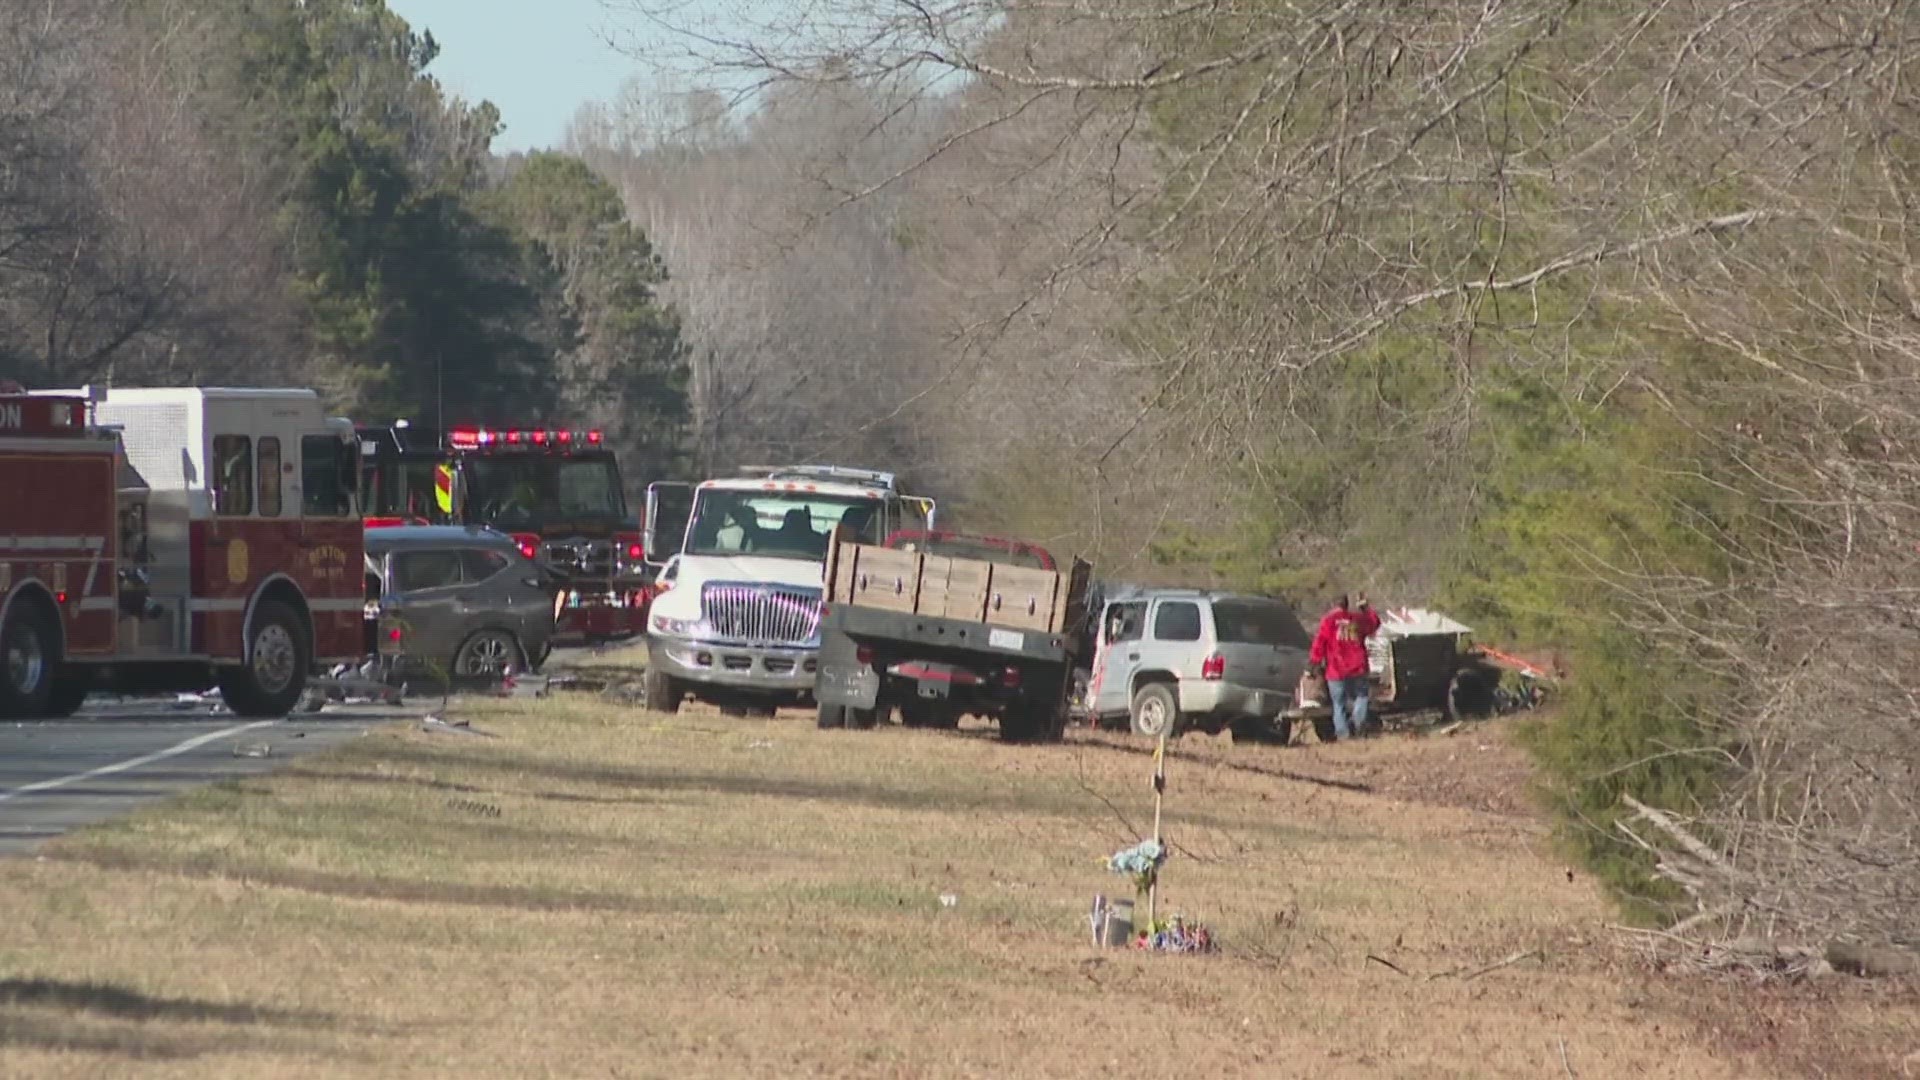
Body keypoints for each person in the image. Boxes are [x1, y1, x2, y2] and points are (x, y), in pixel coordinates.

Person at [1309, 592, 1381, 741]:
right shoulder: (1357, 619)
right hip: (1357, 666)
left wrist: (1314, 662)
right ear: (1347, 604)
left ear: (1333, 604)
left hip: (1336, 669)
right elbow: (1374, 623)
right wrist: (1366, 608)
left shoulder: (1328, 621)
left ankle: (1343, 735)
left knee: (1338, 704)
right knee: (1361, 697)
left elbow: (1319, 643)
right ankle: (1357, 723)